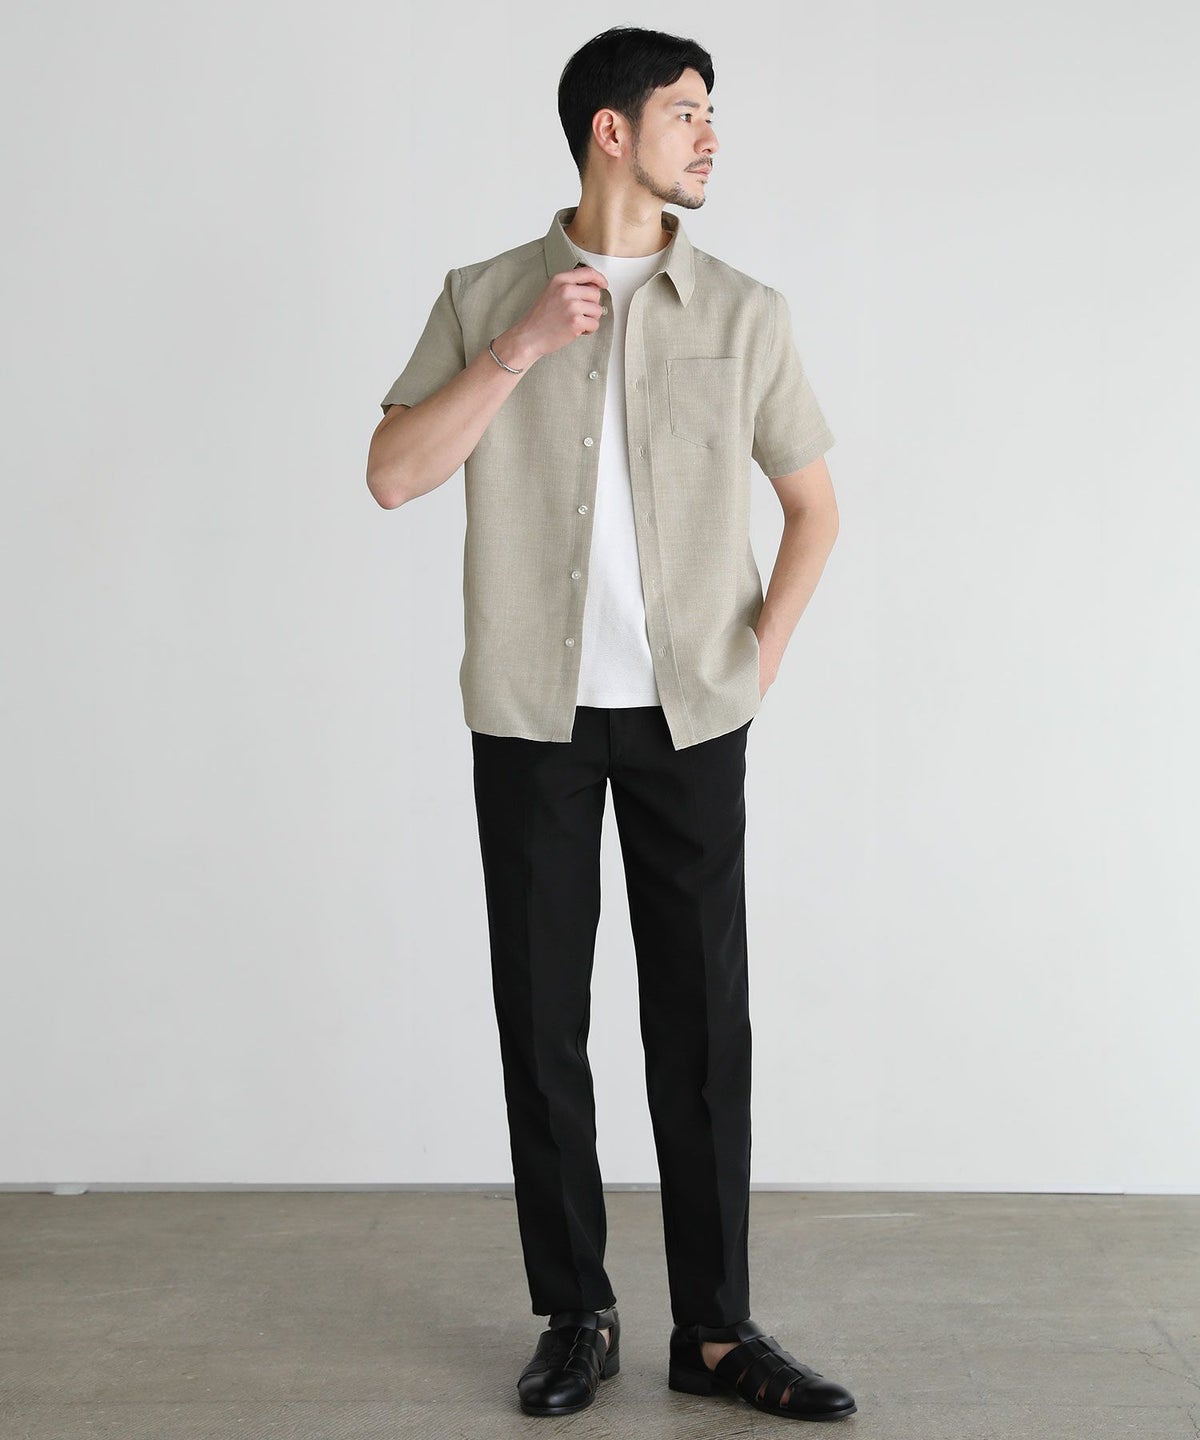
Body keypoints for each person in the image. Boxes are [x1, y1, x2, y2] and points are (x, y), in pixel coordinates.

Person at [366, 25, 856, 1424]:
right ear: (611, 130)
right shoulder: (484, 296)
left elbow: (816, 510)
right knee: (542, 1023)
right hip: (533, 717)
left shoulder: (745, 312)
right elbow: (394, 473)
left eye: (711, 114)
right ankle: (574, 1311)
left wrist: (754, 668)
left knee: (702, 1029)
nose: (710, 136)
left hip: (692, 718)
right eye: (688, 113)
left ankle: (717, 1332)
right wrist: (519, 350)